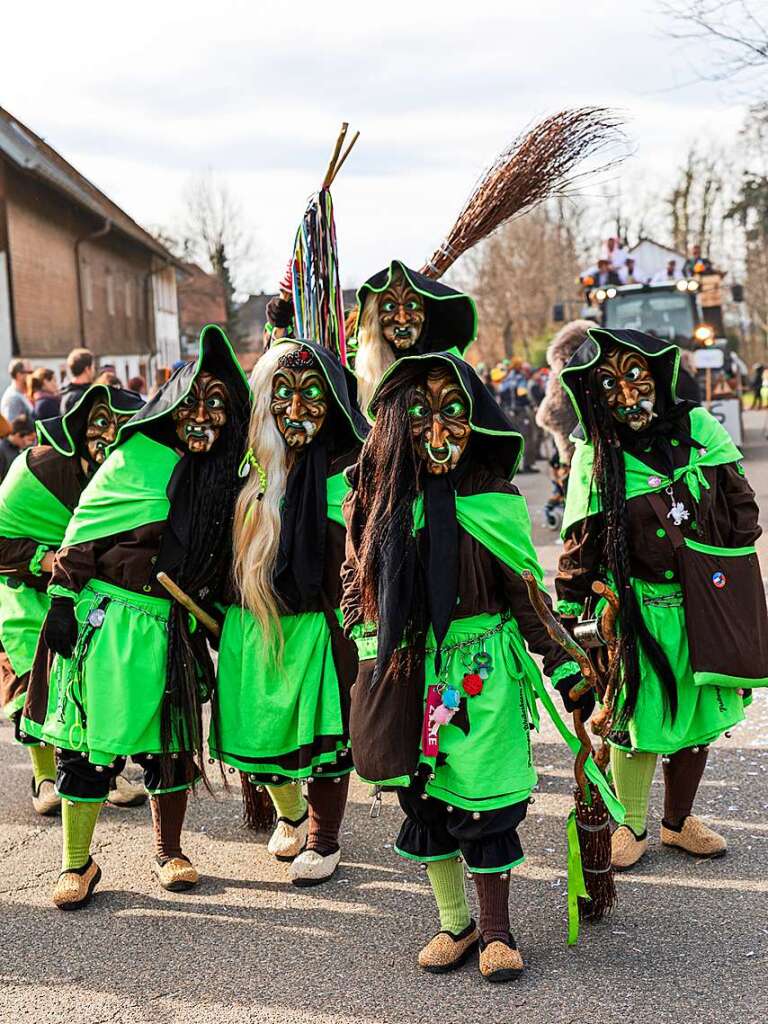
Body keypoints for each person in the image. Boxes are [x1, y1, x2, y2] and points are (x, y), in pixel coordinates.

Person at [340, 352, 611, 983]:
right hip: (404, 671)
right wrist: (360, 657)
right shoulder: (374, 502)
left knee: (483, 804)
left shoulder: (494, 502)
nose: (437, 433)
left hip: (476, 674)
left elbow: (529, 601)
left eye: (453, 415)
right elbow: (354, 585)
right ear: (391, 426)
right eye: (419, 415)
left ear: (476, 424)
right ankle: (454, 922)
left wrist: (569, 669)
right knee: (421, 795)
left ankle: (496, 932)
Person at [24, 325, 251, 909]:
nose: (203, 416)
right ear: (171, 406)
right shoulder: (133, 457)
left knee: (169, 749)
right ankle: (78, 862)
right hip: (106, 629)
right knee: (87, 747)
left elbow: (221, 563)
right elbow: (83, 534)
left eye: (218, 405)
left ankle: (169, 851)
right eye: (192, 403)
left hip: (170, 632)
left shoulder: (223, 480)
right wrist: (60, 602)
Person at [556, 327, 766, 872]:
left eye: (636, 378)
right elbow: (579, 543)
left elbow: (743, 507)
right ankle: (632, 823)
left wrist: (721, 574)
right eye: (609, 385)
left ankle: (677, 822)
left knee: (699, 714)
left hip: (705, 606)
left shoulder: (700, 429)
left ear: (660, 378)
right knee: (638, 719)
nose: (627, 396)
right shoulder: (595, 455)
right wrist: (574, 618)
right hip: (638, 613)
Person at [210, 339, 368, 886]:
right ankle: (291, 814)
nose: (296, 410)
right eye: (283, 395)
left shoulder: (353, 468)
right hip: (251, 622)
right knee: (260, 735)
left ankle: (325, 839)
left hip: (321, 628)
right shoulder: (242, 463)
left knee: (326, 741)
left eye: (312, 395)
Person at [0, 385, 144, 816]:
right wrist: (41, 559)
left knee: (97, 681)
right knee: (33, 680)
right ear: (81, 427)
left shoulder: (129, 473)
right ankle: (44, 778)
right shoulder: (40, 469)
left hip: (86, 592)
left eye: (121, 425)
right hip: (26, 592)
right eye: (100, 423)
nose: (109, 434)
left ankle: (107, 770)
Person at [0, 414, 36, 482]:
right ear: (18, 435)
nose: (31, 443)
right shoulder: (2, 450)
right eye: (30, 440)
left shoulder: (21, 448)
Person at [59, 348, 94, 414]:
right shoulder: (83, 396)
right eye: (93, 367)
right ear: (87, 369)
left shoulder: (65, 393)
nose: (93, 371)